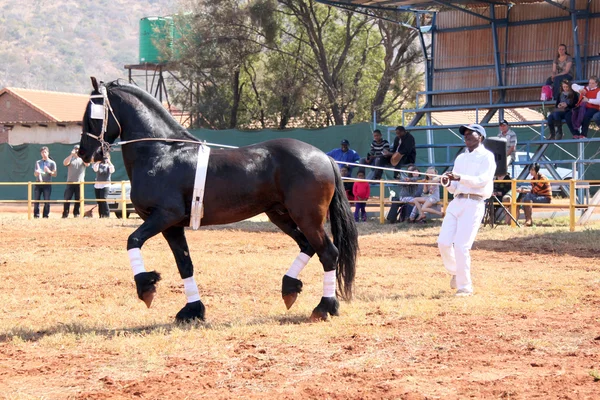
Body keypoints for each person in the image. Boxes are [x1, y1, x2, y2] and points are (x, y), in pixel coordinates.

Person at [437, 124, 496, 297]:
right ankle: (456, 271)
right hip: (457, 201)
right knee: (443, 242)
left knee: (461, 246)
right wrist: (448, 183)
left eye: (471, 133)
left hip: (474, 203)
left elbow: (482, 181)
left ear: (481, 137)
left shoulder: (487, 156)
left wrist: (459, 177)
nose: (467, 136)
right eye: (465, 134)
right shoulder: (460, 158)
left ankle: (465, 287)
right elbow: (455, 187)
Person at [516, 163, 551, 227]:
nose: (530, 172)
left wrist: (523, 190)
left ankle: (528, 220)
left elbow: (535, 190)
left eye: (532, 170)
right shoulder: (532, 180)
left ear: (536, 170)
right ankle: (526, 220)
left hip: (546, 198)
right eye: (530, 170)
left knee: (527, 197)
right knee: (523, 198)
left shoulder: (543, 178)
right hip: (538, 196)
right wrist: (523, 191)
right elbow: (534, 192)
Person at [62, 144, 89, 218]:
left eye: (78, 149)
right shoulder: (70, 159)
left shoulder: (83, 159)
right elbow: (65, 163)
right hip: (70, 182)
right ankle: (65, 214)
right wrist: (71, 155)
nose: (77, 150)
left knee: (78, 199)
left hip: (80, 183)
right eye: (76, 149)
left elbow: (87, 164)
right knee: (67, 199)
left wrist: (82, 155)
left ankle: (76, 213)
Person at [33, 146, 58, 218]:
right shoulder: (38, 162)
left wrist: (49, 171)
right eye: (42, 152)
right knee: (36, 200)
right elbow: (35, 173)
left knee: (47, 200)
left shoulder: (52, 163)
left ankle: (45, 215)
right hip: (38, 183)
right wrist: (36, 173)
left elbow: (55, 174)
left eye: (45, 152)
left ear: (48, 153)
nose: (44, 154)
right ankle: (36, 215)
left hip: (47, 184)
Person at [93, 154, 116, 218]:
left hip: (106, 185)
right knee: (99, 201)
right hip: (97, 185)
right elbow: (95, 169)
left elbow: (112, 170)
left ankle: (106, 214)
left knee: (103, 199)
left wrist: (109, 162)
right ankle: (101, 215)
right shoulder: (98, 165)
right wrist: (98, 161)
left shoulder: (109, 165)